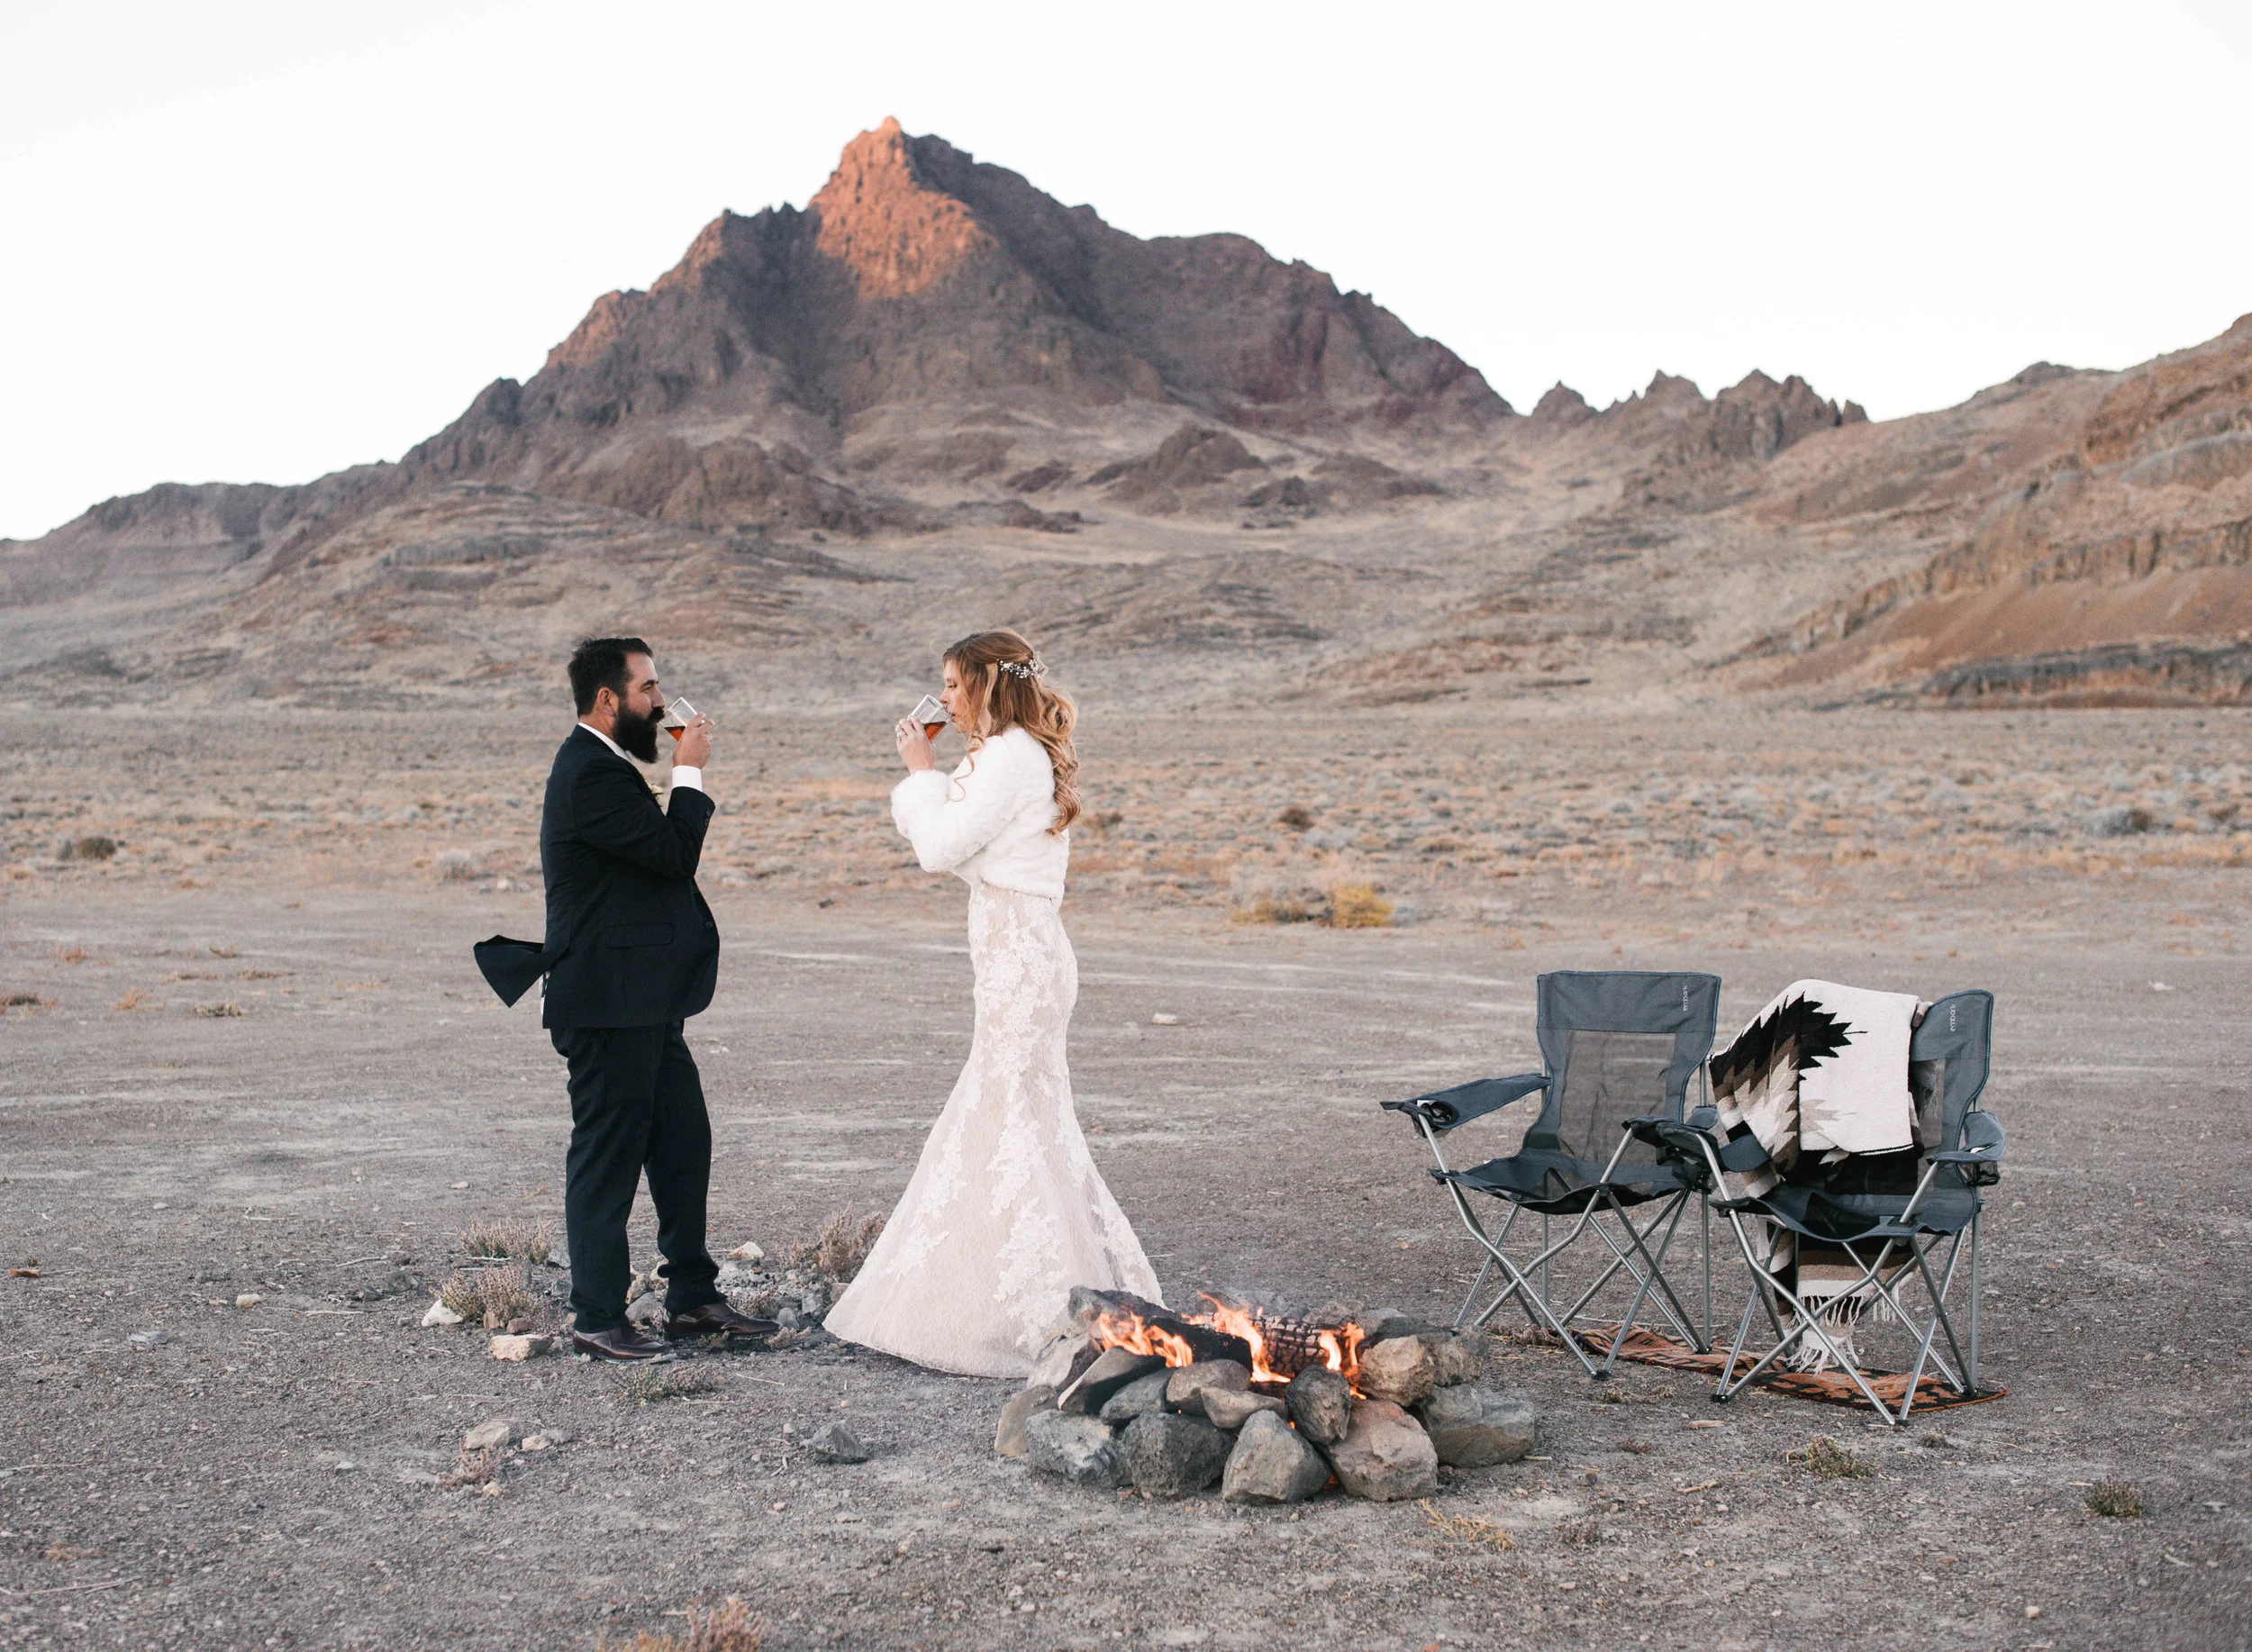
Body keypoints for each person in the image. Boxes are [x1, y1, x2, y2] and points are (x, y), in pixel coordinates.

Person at [823, 629, 1162, 1377]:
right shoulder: (1013, 755)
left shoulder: (1009, 754)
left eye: (951, 683)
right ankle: (1042, 1289)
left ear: (983, 684)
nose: (943, 699)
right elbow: (968, 850)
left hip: (1020, 959)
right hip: (1020, 952)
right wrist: (940, 797)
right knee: (1023, 1119)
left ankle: (1025, 1306)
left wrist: (919, 773)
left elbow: (940, 850)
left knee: (1009, 1117)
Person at [532, 637, 775, 1360]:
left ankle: (693, 1300)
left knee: (681, 1142)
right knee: (606, 1157)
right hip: (607, 1006)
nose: (662, 703)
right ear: (608, 700)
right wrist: (690, 769)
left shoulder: (605, 767)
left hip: (643, 1002)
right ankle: (597, 1316)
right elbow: (674, 855)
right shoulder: (589, 773)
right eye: (649, 689)